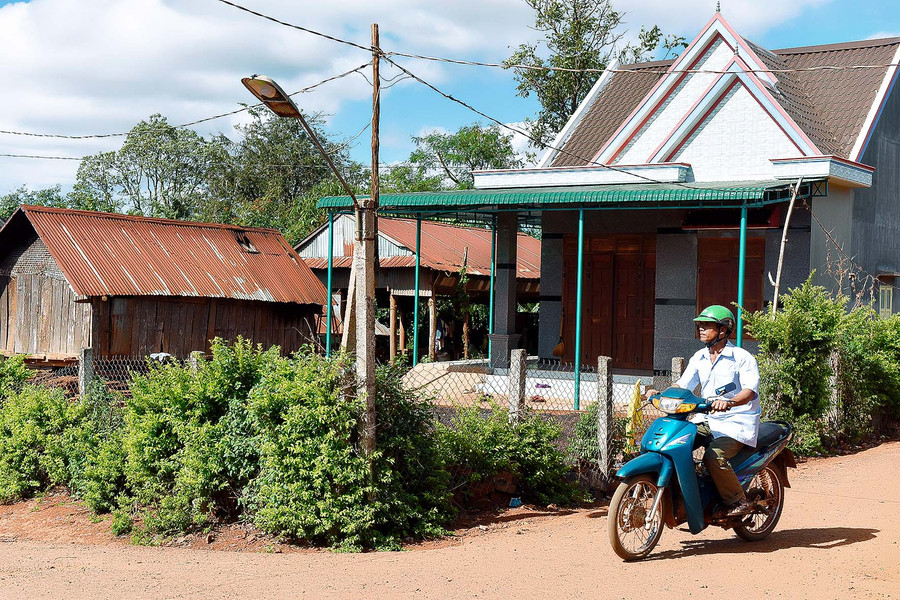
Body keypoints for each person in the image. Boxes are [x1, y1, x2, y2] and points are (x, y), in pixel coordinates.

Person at [646, 305, 761, 517]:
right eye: (700, 325)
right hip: (706, 419)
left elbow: (749, 391)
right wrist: (660, 394)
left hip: (735, 423)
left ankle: (737, 501)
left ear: (724, 330)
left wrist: (729, 402)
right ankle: (687, 494)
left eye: (707, 326)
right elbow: (683, 386)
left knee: (713, 456)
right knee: (674, 444)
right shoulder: (699, 357)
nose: (701, 329)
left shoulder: (742, 357)